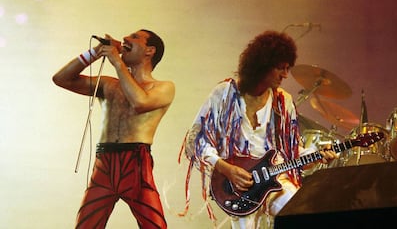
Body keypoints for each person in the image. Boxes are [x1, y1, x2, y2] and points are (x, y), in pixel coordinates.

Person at [180, 30, 337, 228]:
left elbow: (293, 153)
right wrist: (226, 169)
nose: (285, 75)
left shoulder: (283, 102)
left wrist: (318, 155)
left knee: (300, 215)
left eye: (288, 68)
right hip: (239, 186)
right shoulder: (224, 93)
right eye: (280, 68)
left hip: (276, 180)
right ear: (263, 64)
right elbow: (196, 140)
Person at [53, 29, 175, 229]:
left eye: (135, 37)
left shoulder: (163, 87)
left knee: (154, 225)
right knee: (85, 225)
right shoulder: (109, 84)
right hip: (105, 161)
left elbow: (139, 102)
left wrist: (117, 63)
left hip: (135, 161)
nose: (126, 38)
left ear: (150, 51)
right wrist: (95, 52)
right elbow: (61, 79)